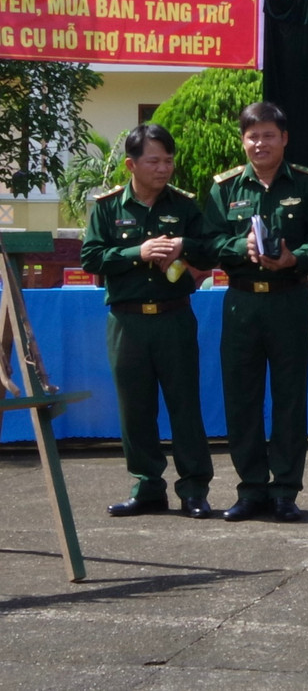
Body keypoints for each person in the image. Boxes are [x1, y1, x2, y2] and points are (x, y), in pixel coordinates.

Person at [81, 123, 217, 519]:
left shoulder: (184, 206)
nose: (163, 168)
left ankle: (194, 489)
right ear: (131, 164)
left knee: (184, 406)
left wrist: (183, 246)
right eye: (154, 161)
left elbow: (209, 252)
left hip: (174, 319)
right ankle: (147, 488)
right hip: (128, 322)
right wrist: (135, 252)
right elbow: (91, 258)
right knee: (135, 409)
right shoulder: (108, 207)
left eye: (169, 161)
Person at [205, 102, 308, 523]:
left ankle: (286, 490)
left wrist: (294, 258)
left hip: (290, 299)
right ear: (243, 140)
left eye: (268, 135)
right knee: (242, 399)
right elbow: (208, 245)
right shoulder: (224, 189)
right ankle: (251, 488)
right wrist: (243, 247)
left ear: (284, 139)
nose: (260, 143)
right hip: (241, 302)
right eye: (252, 136)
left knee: (290, 399)